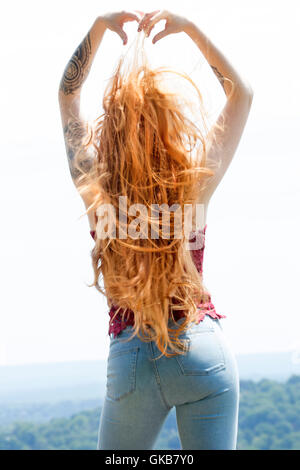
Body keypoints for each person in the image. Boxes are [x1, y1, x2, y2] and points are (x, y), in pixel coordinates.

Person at [58, 10, 253, 450]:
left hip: (132, 354)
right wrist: (190, 29)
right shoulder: (192, 182)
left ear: (109, 132)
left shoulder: (97, 190)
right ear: (169, 127)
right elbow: (241, 93)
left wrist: (97, 27)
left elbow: (68, 95)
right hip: (201, 345)